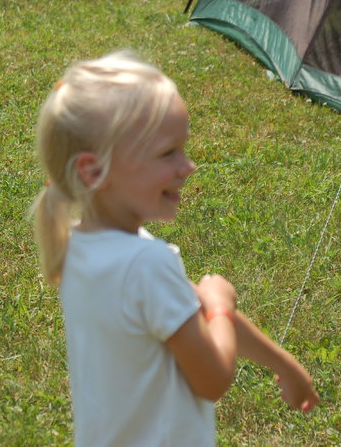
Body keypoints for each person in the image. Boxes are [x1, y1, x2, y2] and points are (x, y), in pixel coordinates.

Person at [30, 51, 319, 446]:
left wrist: (282, 363)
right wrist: (222, 305)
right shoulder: (146, 264)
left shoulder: (78, 246)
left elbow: (191, 312)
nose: (188, 167)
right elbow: (213, 380)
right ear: (94, 170)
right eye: (168, 153)